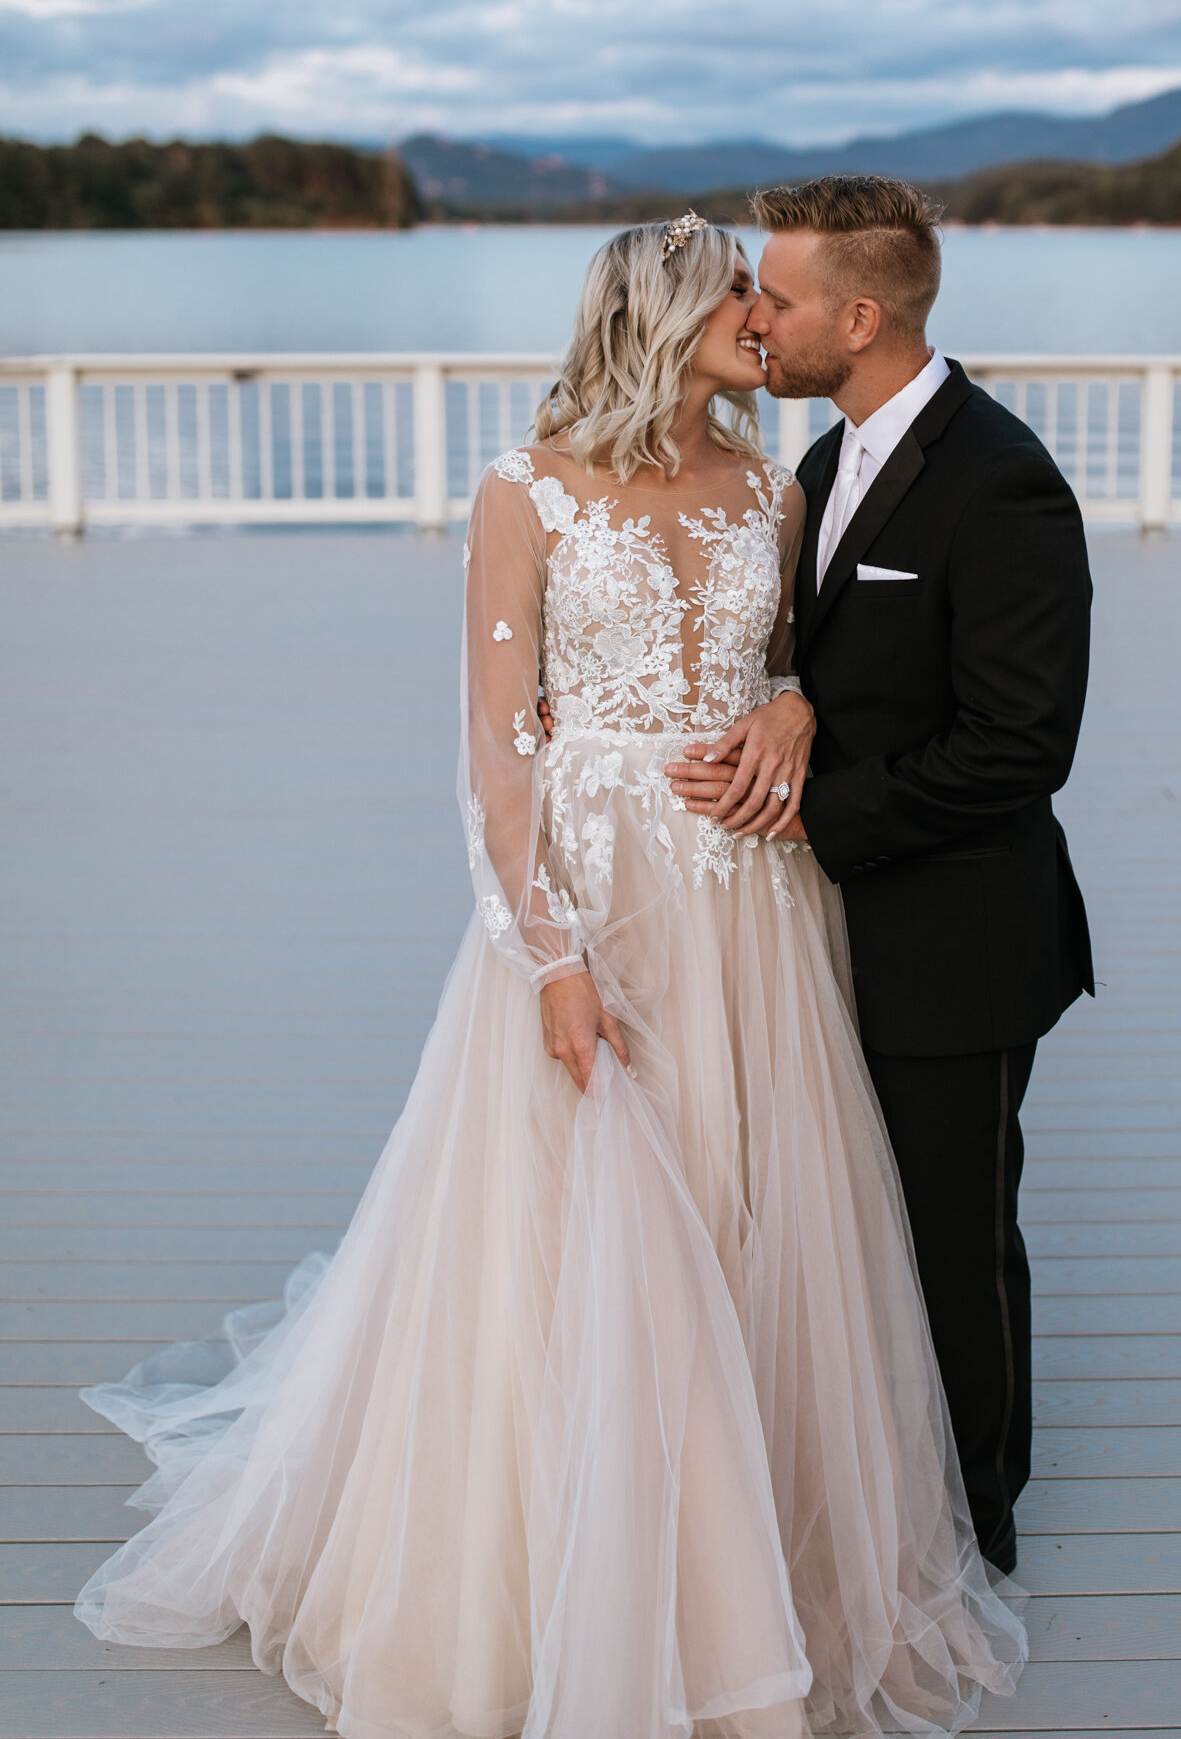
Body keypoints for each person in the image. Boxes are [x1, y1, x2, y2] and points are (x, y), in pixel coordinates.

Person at [74, 215, 1025, 1739]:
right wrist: (550, 962)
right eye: (734, 292)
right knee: (580, 1242)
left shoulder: (766, 492)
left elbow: (783, 671)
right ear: (659, 314)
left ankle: (739, 1580)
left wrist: (788, 718)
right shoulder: (522, 492)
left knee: (742, 1216)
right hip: (591, 897)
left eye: (764, 296)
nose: (757, 316)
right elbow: (495, 758)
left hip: (751, 907)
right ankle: (573, 1581)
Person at [666, 176, 1093, 1578]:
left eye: (776, 299)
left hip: (956, 935)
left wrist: (819, 813)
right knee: (848, 1220)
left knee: (951, 1235)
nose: (756, 319)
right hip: (825, 929)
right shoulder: (819, 463)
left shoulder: (1003, 479)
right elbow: (830, 652)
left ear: (858, 317)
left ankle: (976, 1521)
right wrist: (790, 702)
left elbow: (1021, 747)